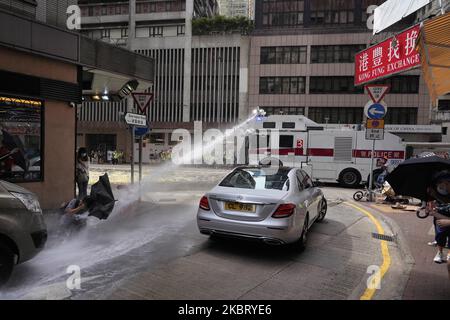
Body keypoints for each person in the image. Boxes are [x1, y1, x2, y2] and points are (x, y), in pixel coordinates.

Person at [427, 172, 450, 264]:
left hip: (444, 217)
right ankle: (440, 253)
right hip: (441, 215)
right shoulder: (438, 190)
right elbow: (447, 201)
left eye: (447, 183)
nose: (443, 185)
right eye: (440, 182)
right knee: (440, 235)